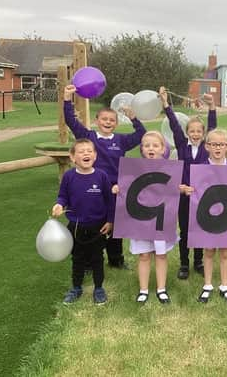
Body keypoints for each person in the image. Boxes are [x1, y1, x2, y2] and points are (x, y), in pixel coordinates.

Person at [63, 84, 146, 269]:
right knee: (93, 225)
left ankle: (116, 260)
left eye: (112, 120)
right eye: (104, 119)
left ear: (116, 123)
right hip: (93, 189)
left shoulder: (121, 140)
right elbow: (70, 121)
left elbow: (142, 134)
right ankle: (88, 262)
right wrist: (67, 99)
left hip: (115, 190)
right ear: (96, 120)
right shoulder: (88, 136)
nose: (108, 122)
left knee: (114, 226)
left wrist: (133, 117)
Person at [181, 129, 227, 305]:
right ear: (207, 146)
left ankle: (225, 286)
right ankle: (207, 285)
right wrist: (188, 189)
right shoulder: (200, 167)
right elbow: (191, 187)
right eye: (213, 144)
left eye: (221, 144)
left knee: (225, 252)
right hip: (207, 214)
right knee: (209, 250)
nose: (217, 148)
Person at [112, 131, 177, 304]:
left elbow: (175, 189)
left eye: (155, 145)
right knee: (144, 255)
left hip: (160, 219)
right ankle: (143, 289)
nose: (151, 148)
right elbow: (127, 187)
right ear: (142, 149)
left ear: (163, 149)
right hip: (140, 219)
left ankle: (161, 289)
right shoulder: (134, 168)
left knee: (161, 255)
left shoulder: (170, 168)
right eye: (147, 145)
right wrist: (119, 188)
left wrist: (182, 188)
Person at [159, 86, 216, 280]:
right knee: (184, 230)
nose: (196, 134)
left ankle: (198, 261)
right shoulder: (182, 146)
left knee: (199, 229)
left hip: (202, 196)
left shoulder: (208, 148)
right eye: (192, 131)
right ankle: (184, 264)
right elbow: (174, 124)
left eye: (199, 131)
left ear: (204, 133)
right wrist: (166, 104)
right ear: (187, 132)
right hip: (183, 195)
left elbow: (214, 128)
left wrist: (212, 107)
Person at [51, 139, 113, 305]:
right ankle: (76, 288)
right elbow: (63, 196)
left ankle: (99, 288)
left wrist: (110, 221)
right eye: (81, 151)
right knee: (77, 258)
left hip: (98, 227)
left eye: (89, 151)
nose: (86, 153)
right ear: (73, 157)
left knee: (97, 258)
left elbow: (109, 201)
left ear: (95, 155)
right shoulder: (69, 177)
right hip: (76, 227)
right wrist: (59, 204)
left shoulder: (102, 176)